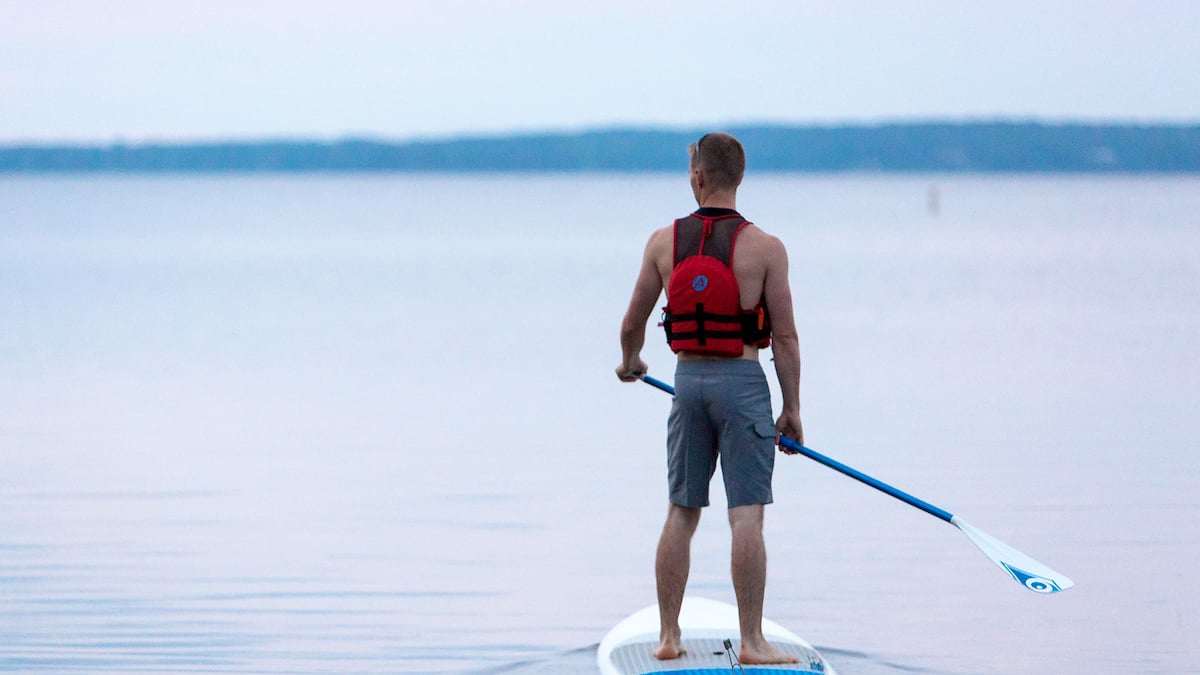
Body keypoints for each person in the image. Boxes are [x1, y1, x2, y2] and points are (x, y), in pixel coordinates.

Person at [615, 132, 803, 666]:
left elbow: (632, 325)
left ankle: (669, 636)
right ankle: (752, 642)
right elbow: (785, 338)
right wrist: (791, 409)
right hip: (743, 386)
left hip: (688, 385)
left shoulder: (661, 243)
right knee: (746, 518)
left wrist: (631, 363)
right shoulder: (766, 249)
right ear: (739, 178)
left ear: (698, 177)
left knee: (681, 512)